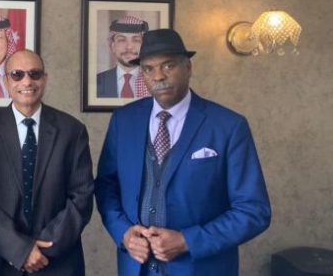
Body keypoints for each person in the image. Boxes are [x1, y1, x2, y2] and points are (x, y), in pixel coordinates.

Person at [95, 29, 271, 276]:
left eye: (168, 66)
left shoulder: (228, 126)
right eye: (148, 69)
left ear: (188, 67)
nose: (158, 76)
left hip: (203, 269)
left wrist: (189, 241)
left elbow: (253, 210)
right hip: (136, 268)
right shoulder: (124, 120)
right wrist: (123, 232)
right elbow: (106, 186)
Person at [0, 49, 94, 275]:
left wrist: (43, 249)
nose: (27, 81)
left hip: (58, 262)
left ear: (45, 79)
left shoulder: (72, 130)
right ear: (6, 81)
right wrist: (20, 250)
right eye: (17, 74)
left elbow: (82, 197)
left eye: (34, 74)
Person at [96, 15, 150, 98]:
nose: (129, 47)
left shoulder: (155, 81)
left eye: (136, 40)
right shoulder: (97, 82)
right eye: (122, 40)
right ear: (113, 46)